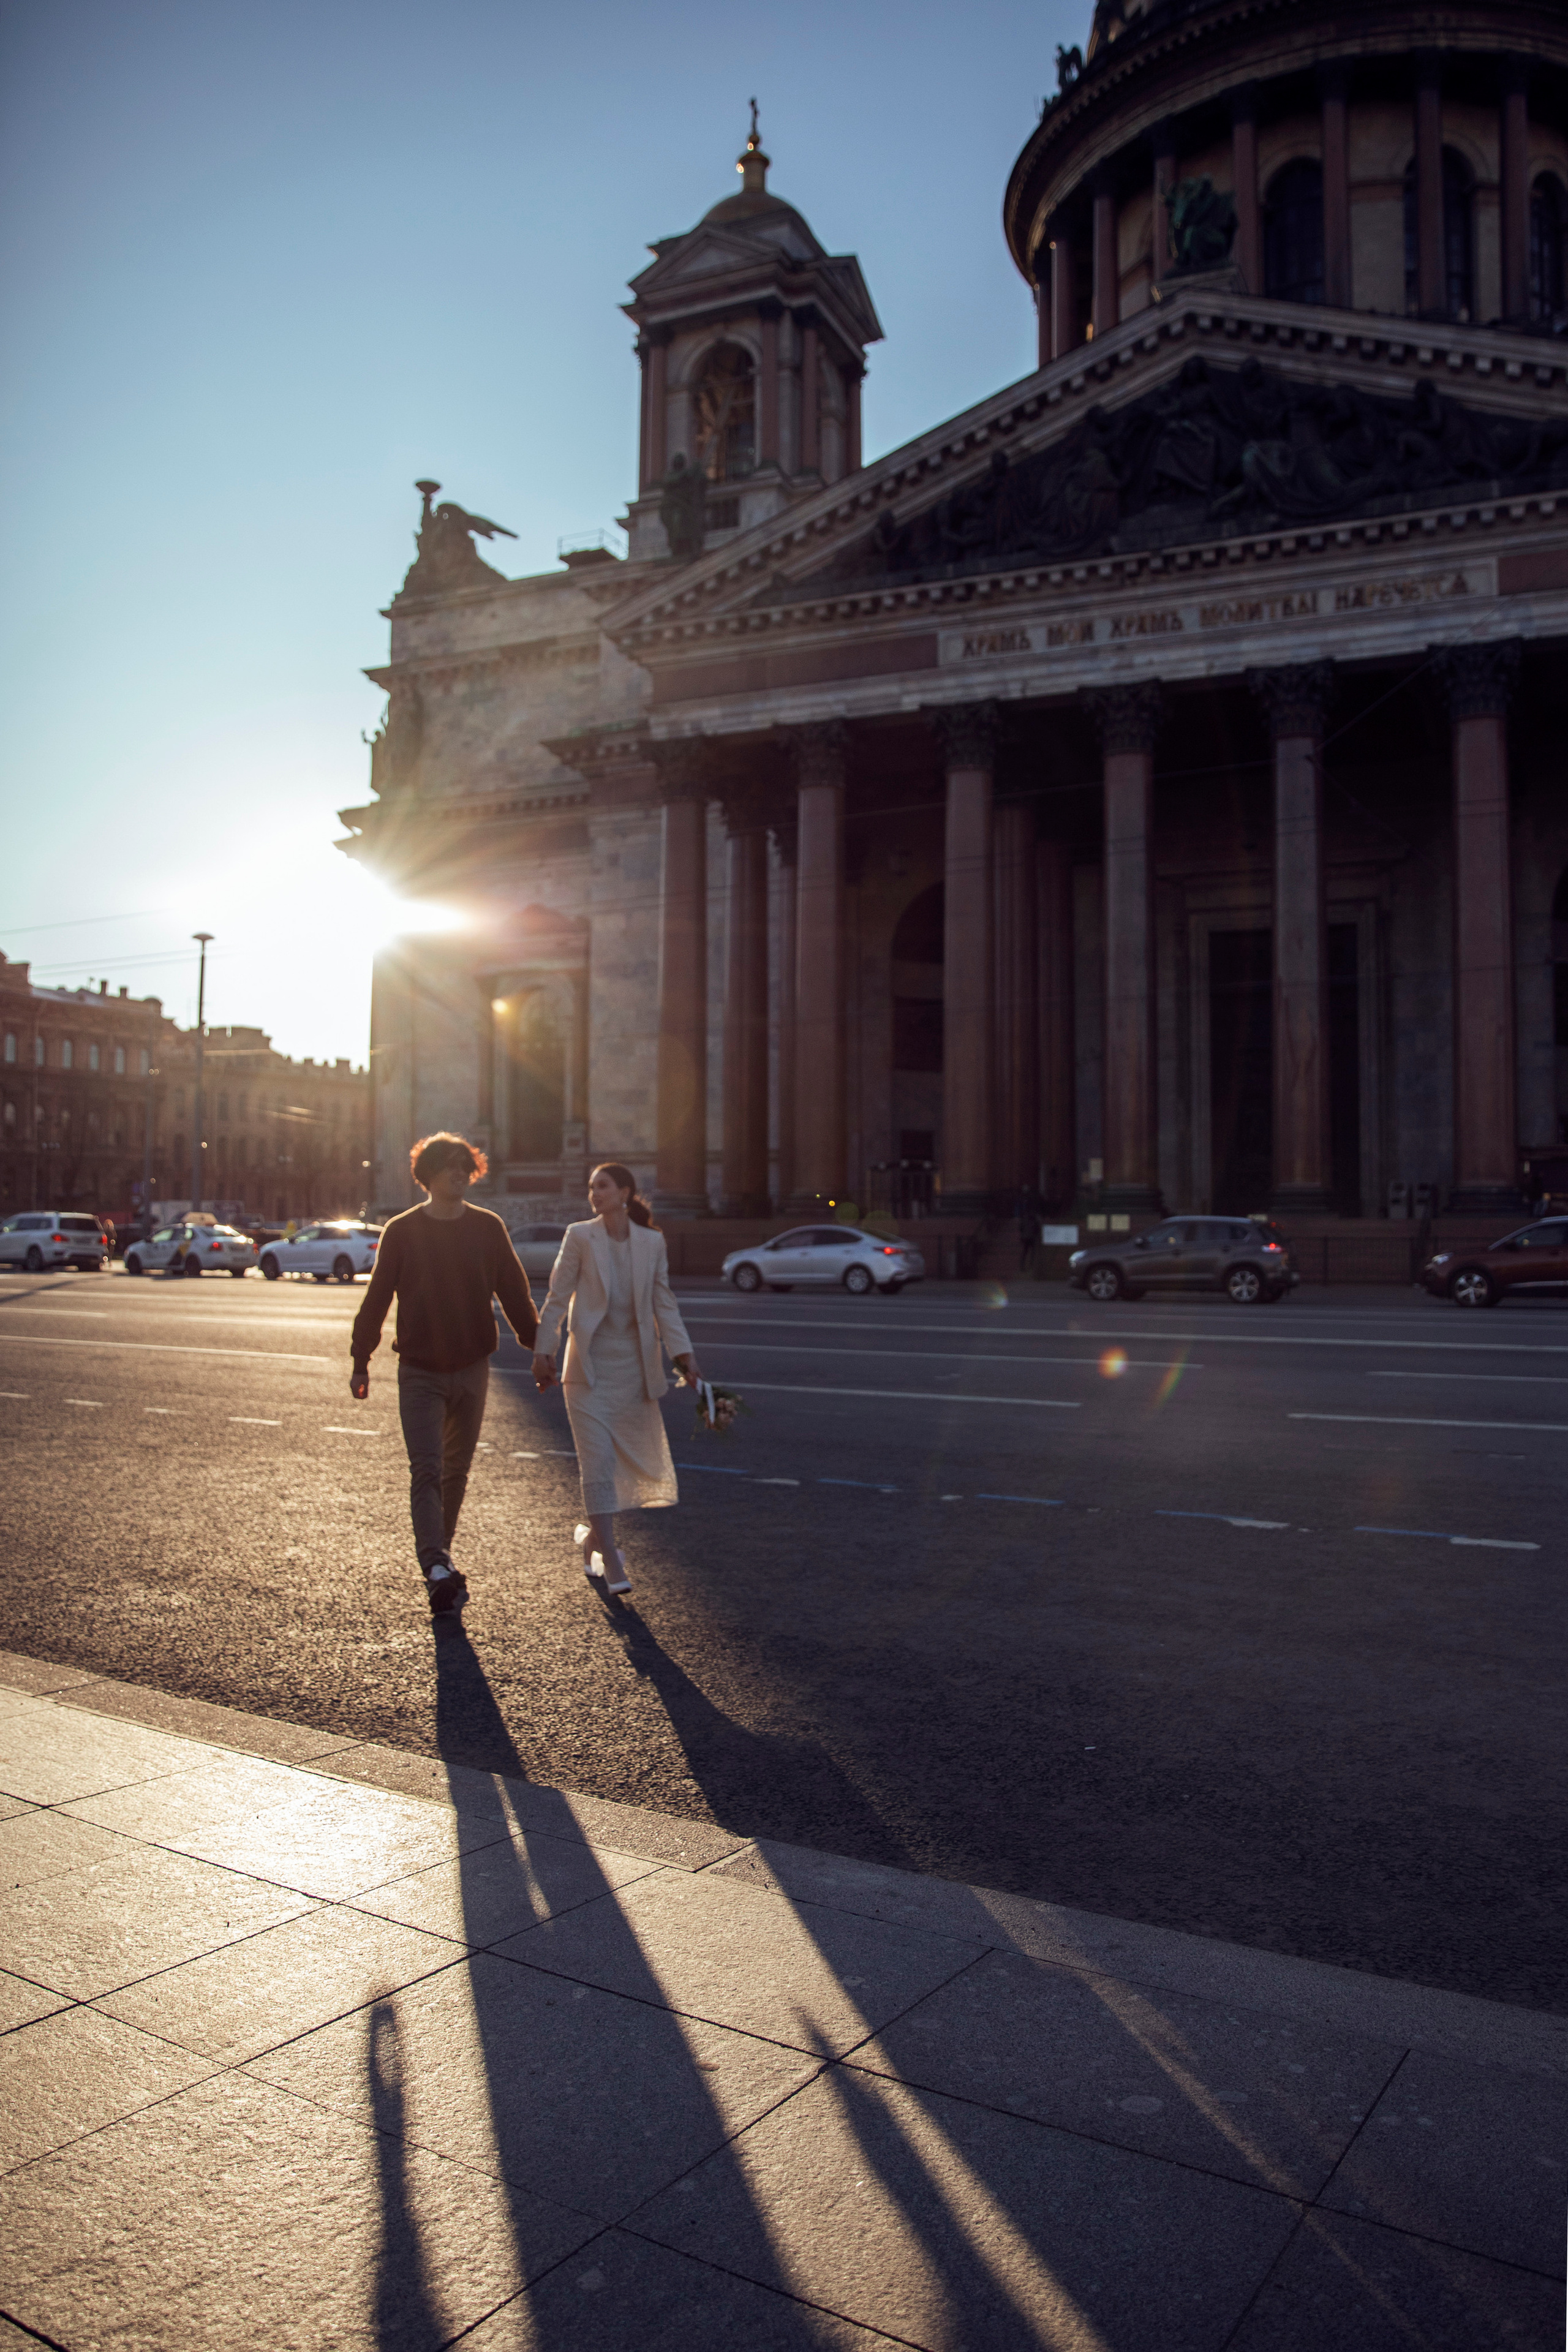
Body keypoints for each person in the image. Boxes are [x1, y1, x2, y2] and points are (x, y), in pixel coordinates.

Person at [349, 1132, 537, 1617]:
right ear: (427, 1175)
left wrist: (540, 1349)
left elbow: (515, 1294)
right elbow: (377, 1299)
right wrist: (360, 1359)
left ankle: (440, 1560)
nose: (459, 1174)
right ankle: (435, 1565)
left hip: (473, 1368)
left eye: (465, 1166)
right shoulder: (402, 1230)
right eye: (449, 1166)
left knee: (456, 1472)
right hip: (420, 1371)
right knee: (427, 1469)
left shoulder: (488, 1228)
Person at [532, 1163, 701, 1597]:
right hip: (586, 1368)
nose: (594, 1194)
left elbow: (664, 1303)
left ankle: (592, 1539)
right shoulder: (580, 1236)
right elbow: (557, 1297)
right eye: (590, 1187)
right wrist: (543, 1351)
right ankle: (609, 1556)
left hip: (633, 1369)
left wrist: (684, 1357)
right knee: (597, 1461)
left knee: (620, 1462)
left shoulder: (652, 1242)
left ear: (625, 1191)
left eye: (602, 1186)